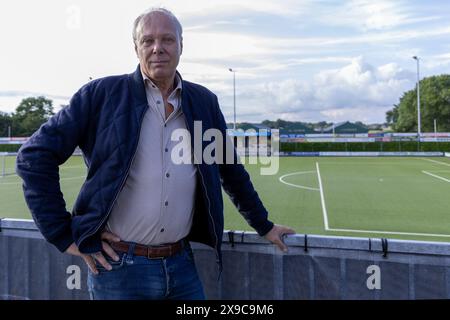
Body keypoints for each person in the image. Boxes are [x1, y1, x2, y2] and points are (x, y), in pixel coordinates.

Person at [16, 7, 295, 300]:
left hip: (182, 265)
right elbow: (34, 157)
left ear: (181, 46)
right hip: (119, 270)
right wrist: (62, 234)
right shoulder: (101, 95)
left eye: (167, 40)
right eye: (147, 41)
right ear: (135, 48)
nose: (157, 48)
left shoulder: (204, 102)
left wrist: (263, 225)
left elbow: (231, 171)